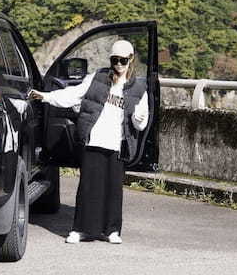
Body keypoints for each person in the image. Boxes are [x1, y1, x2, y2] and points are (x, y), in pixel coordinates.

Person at [29, 39, 149, 244]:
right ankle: (80, 229)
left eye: (122, 60)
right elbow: (73, 95)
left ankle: (112, 230)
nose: (118, 64)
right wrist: (46, 97)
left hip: (118, 144)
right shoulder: (97, 77)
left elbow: (141, 123)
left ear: (131, 60)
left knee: (113, 190)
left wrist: (138, 119)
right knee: (88, 187)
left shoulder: (138, 88)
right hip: (94, 140)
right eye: (114, 60)